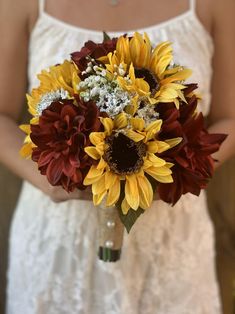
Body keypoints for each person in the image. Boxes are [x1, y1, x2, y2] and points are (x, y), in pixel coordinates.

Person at [1, 0, 235, 313]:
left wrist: (182, 172)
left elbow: (229, 118)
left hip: (171, 244)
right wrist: (49, 177)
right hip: (57, 242)